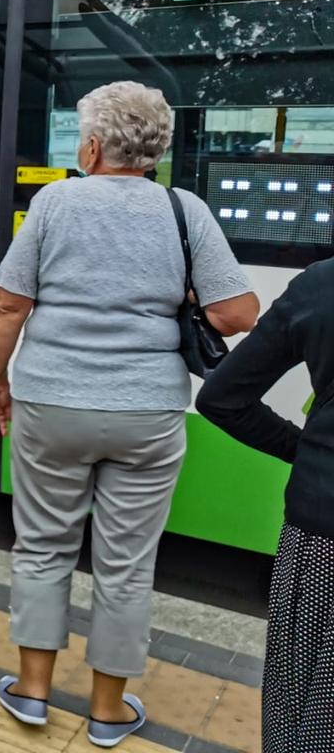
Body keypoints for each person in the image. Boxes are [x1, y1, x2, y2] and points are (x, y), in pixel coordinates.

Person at [0, 81, 258, 747]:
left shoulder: (56, 201)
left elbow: (9, 307)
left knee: (43, 547)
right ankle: (107, 711)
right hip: (148, 412)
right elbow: (238, 313)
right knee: (127, 562)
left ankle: (33, 693)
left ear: (95, 144)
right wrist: (173, 293)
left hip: (52, 402)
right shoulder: (182, 209)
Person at [196, 257, 334, 751]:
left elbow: (222, 397)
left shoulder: (321, 284)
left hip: (322, 540)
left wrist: (308, 452)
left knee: (303, 708)